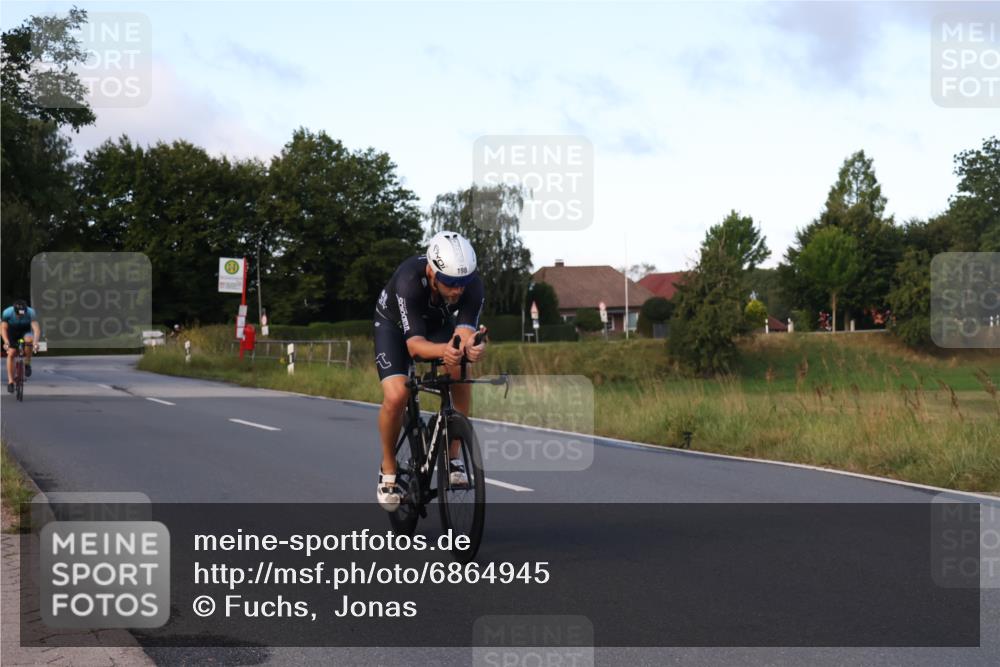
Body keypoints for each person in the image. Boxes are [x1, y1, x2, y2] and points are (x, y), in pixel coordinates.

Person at [372, 231, 487, 510]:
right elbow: (415, 347)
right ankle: (388, 467)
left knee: (459, 367)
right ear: (432, 272)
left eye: (463, 283)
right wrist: (446, 350)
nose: (457, 290)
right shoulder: (410, 279)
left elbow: (462, 333)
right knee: (397, 396)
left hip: (434, 326)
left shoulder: (472, 285)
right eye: (449, 283)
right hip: (396, 329)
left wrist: (470, 346)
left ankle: (454, 457)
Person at [2, 299, 41, 393]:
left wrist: (35, 342)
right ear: (14, 311)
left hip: (25, 331)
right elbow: (3, 328)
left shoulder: (31, 312)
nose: (21, 316)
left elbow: (36, 329)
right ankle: (11, 382)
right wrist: (6, 341)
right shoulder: (7, 312)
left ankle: (27, 363)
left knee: (29, 340)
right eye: (18, 314)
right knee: (11, 353)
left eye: (23, 314)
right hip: (12, 331)